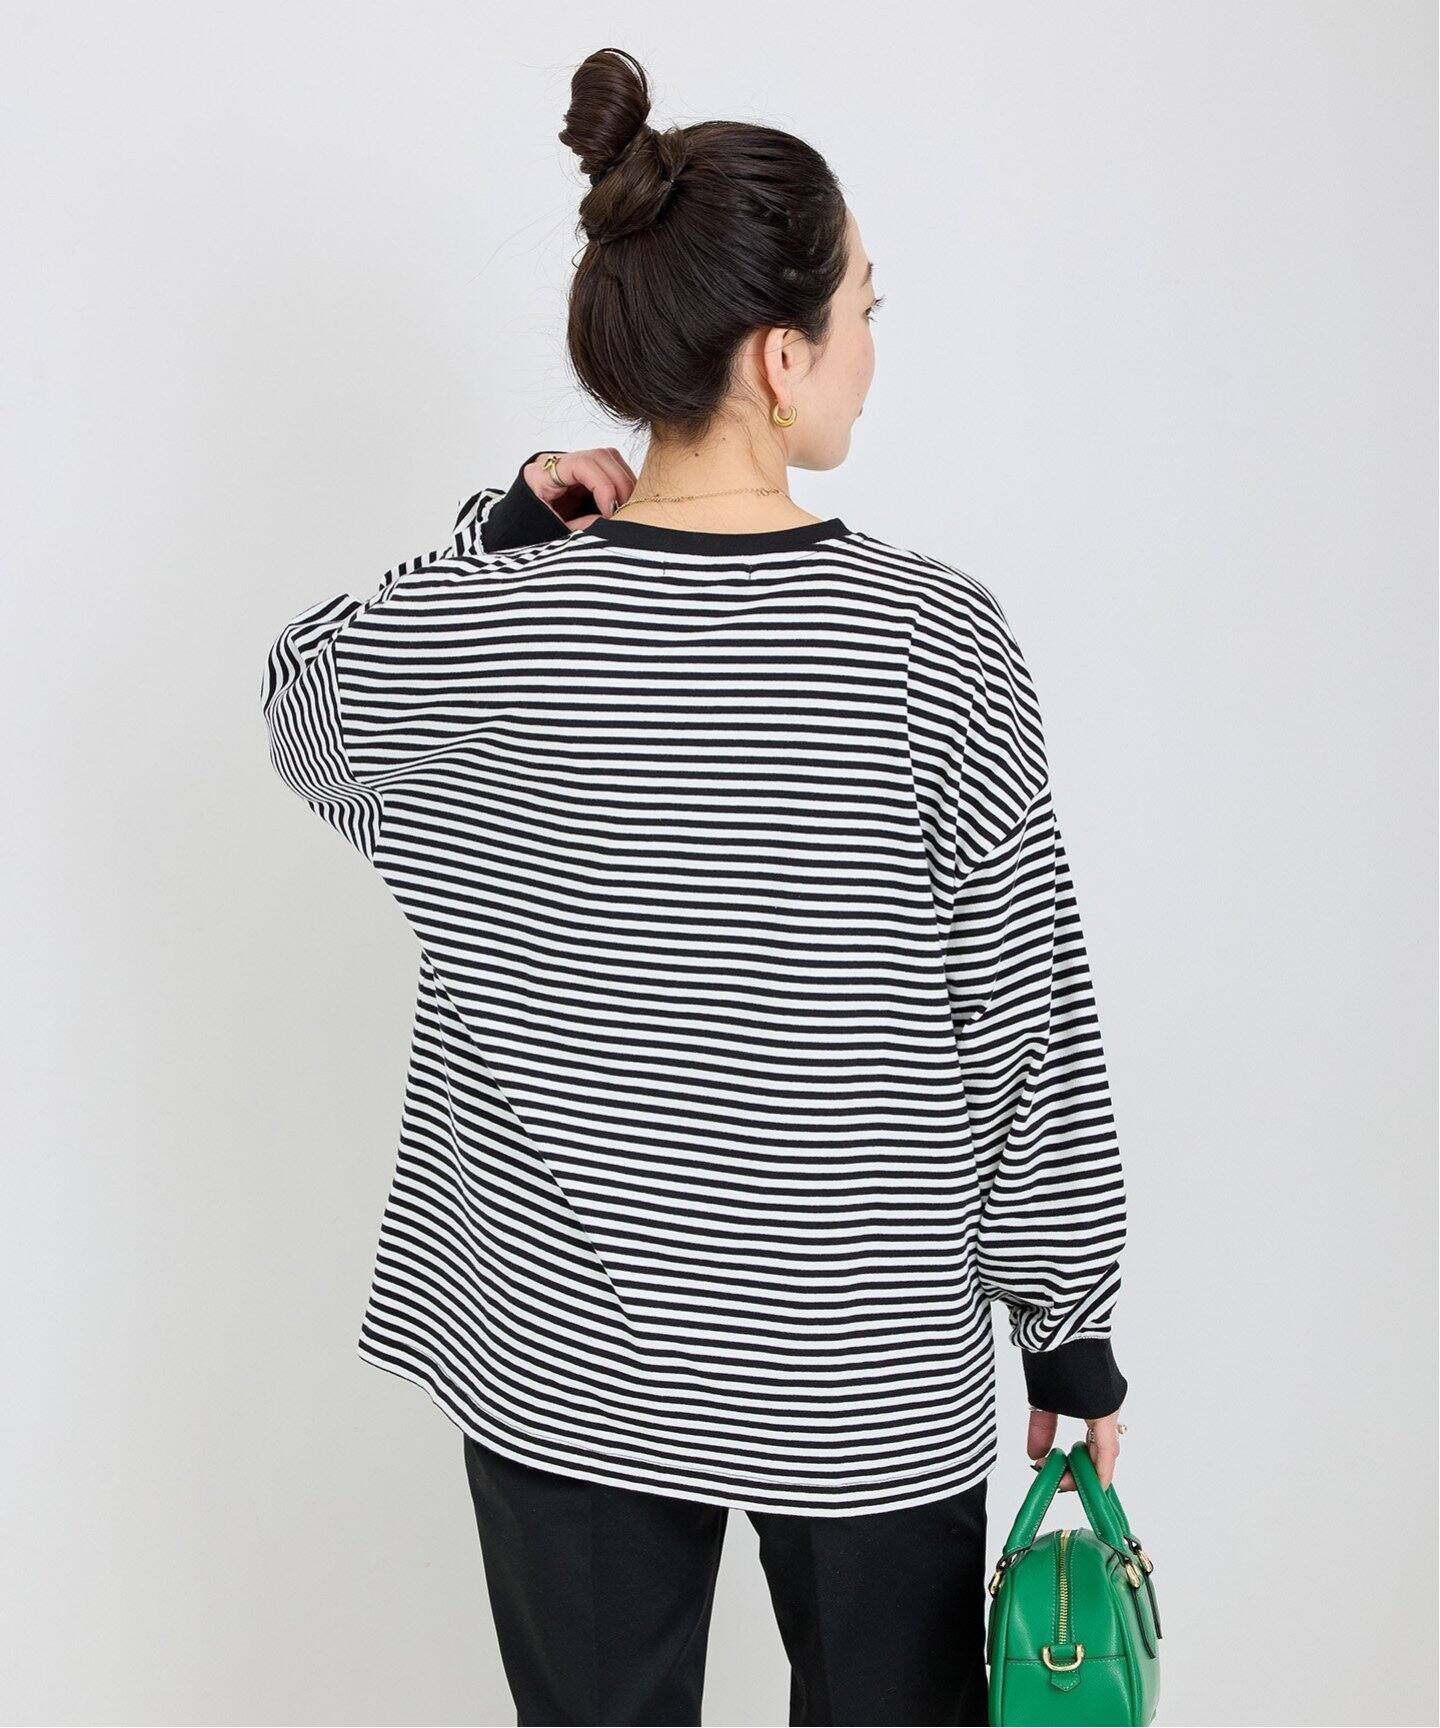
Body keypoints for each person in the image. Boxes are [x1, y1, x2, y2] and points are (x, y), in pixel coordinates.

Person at [261, 44, 1131, 1728]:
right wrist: (1068, 1327)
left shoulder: (496, 631)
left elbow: (305, 702)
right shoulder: (935, 641)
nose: (873, 350)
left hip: (561, 1342)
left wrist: (507, 533)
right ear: (780, 355)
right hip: (862, 1364)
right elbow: (1025, 1009)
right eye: (866, 310)